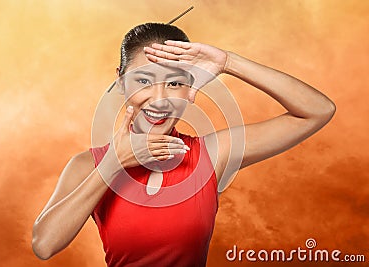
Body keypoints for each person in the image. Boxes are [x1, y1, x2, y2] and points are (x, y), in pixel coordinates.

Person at [32, 22, 336, 266]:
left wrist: (229, 62)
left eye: (175, 82)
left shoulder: (210, 155)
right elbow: (44, 245)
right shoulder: (89, 165)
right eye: (143, 81)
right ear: (121, 81)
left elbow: (317, 111)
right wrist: (114, 163)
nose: (160, 100)